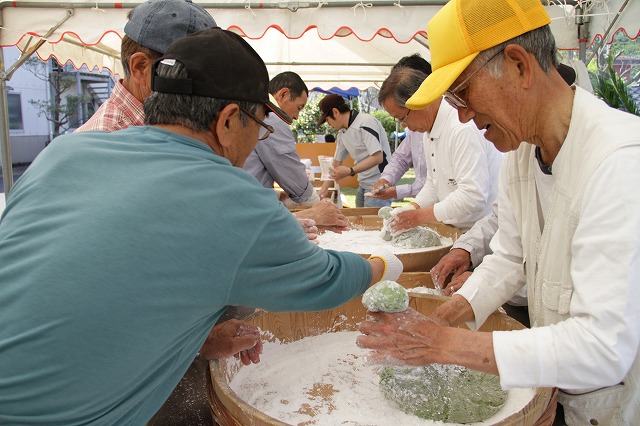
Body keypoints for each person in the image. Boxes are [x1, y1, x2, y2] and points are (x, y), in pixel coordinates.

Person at [0, 28, 404, 425]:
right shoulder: (233, 196)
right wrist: (387, 264)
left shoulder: (63, 152)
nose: (257, 140)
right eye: (260, 126)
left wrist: (196, 340)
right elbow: (328, 281)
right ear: (229, 121)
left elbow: (86, 292)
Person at [357, 0, 640, 424]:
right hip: (560, 390)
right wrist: (445, 316)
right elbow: (509, 256)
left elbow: (603, 347)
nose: (465, 116)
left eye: (464, 94)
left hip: (614, 407)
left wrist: (442, 346)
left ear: (518, 66)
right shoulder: (523, 154)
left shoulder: (618, 161)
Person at [378, 67, 502, 232]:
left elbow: (473, 196)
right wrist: (414, 207)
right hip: (457, 229)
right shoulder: (429, 130)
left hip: (483, 232)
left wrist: (420, 216)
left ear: (421, 101)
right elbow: (433, 182)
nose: (404, 126)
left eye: (403, 118)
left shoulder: (461, 128)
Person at [76, 0, 216, 133]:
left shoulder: (166, 123)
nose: (198, 89)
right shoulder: (105, 142)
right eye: (184, 74)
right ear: (140, 68)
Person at [243, 71, 349, 233]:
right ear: (283, 95)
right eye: (299, 108)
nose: (296, 117)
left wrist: (278, 195)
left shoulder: (256, 111)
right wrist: (316, 205)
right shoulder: (272, 117)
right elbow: (289, 170)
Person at [370, 54, 431, 202]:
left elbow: (437, 185)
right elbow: (401, 157)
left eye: (402, 117)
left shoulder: (458, 125)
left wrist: (399, 192)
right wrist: (386, 178)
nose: (404, 125)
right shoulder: (416, 123)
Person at [316, 94, 392, 208]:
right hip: (363, 183)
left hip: (379, 183)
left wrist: (350, 171)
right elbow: (336, 163)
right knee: (360, 222)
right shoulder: (342, 132)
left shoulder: (365, 122)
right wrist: (324, 188)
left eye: (327, 120)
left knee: (373, 223)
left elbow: (378, 157)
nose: (329, 125)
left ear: (336, 112)